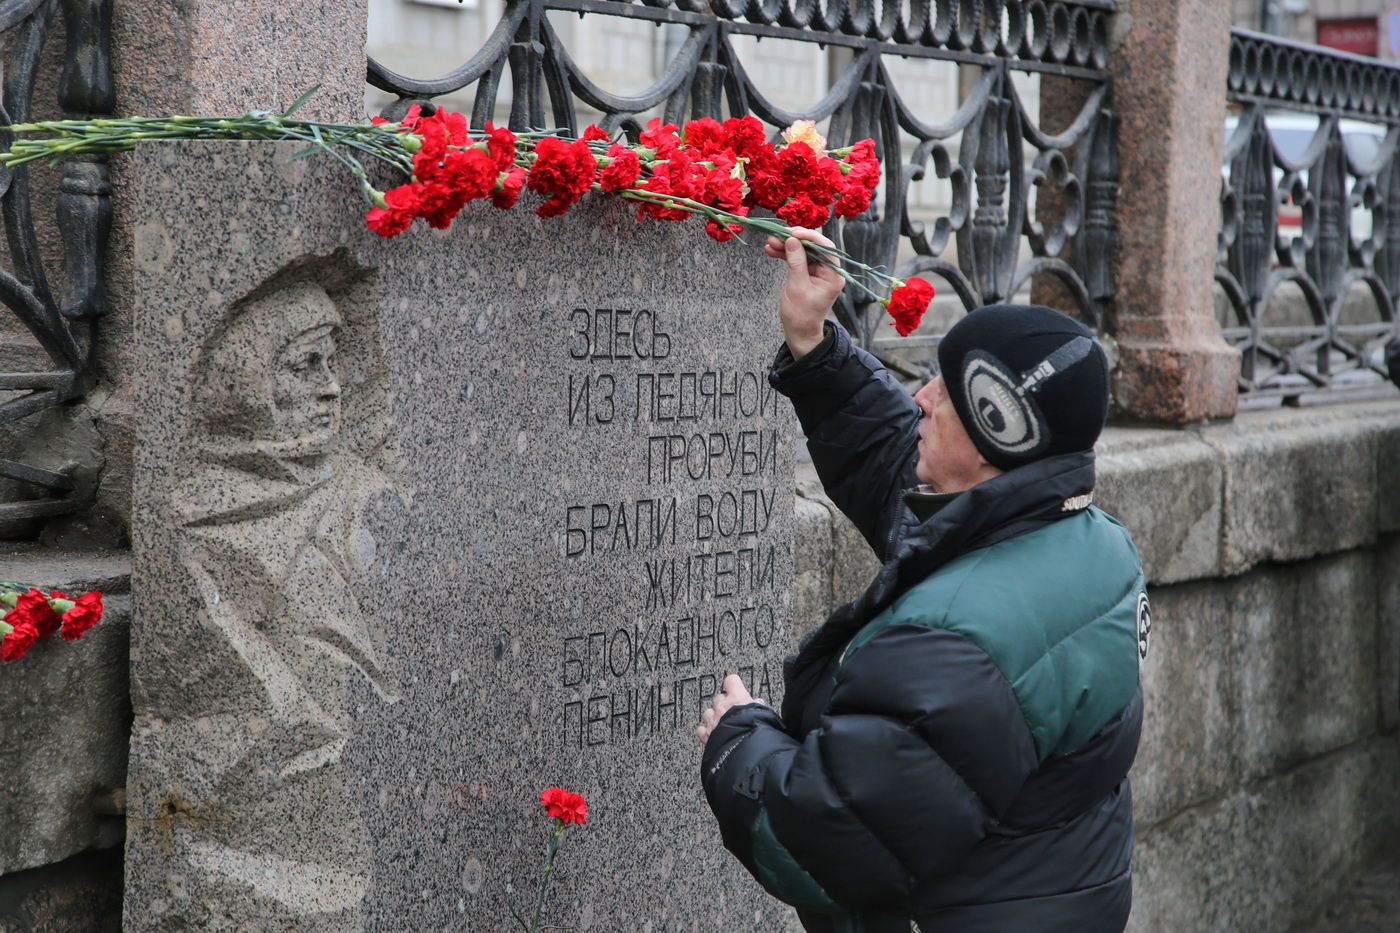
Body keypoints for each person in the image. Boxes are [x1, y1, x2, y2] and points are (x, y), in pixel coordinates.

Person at [697, 230, 1148, 933]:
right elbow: (902, 474)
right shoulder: (1077, 538)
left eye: (945, 391)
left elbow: (827, 839)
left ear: (998, 438)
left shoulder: (958, 643)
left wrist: (739, 736)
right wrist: (816, 343)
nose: (921, 397)